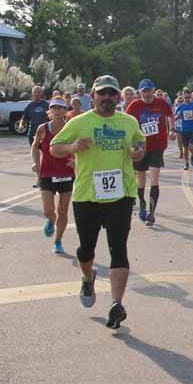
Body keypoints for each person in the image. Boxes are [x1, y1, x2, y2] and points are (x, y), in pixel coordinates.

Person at [49, 75, 145, 330]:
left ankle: (116, 304)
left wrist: (138, 151)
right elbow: (54, 148)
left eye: (111, 94)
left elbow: (139, 144)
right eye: (101, 93)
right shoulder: (79, 122)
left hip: (121, 195)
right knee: (85, 250)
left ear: (118, 97)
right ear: (92, 96)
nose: (107, 98)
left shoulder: (128, 122)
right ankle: (87, 277)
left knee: (118, 248)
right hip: (87, 195)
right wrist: (73, 146)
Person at [127, 78, 174, 227]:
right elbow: (127, 123)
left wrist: (172, 129)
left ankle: (151, 214)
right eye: (144, 91)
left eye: (149, 90)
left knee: (154, 180)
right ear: (139, 92)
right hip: (140, 146)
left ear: (153, 90)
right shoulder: (134, 105)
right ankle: (141, 203)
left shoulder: (161, 103)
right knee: (141, 180)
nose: (147, 94)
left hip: (157, 146)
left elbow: (170, 115)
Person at [31, 98, 75, 254]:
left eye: (60, 108)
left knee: (63, 210)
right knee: (48, 211)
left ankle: (58, 241)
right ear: (49, 111)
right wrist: (35, 162)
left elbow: (78, 147)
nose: (57, 110)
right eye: (54, 108)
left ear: (65, 111)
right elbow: (35, 146)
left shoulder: (71, 128)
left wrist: (75, 159)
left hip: (67, 173)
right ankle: (51, 220)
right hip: (47, 173)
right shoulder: (42, 129)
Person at [174, 92, 193, 170]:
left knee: (191, 146)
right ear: (183, 97)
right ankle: (186, 163)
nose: (187, 99)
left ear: (190, 97)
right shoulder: (180, 107)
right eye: (186, 97)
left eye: (188, 97)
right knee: (185, 148)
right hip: (183, 130)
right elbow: (175, 117)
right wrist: (178, 116)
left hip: (192, 128)